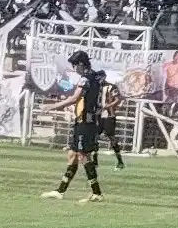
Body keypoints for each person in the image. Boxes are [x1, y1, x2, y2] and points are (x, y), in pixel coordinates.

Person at [40, 51, 105, 203]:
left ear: (81, 64)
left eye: (75, 65)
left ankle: (97, 193)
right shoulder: (96, 77)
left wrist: (52, 106)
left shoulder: (86, 79)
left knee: (83, 156)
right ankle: (60, 191)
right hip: (83, 121)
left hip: (85, 122)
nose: (75, 69)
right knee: (72, 155)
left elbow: (75, 98)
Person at [97, 71, 125, 170]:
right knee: (94, 137)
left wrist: (108, 106)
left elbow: (118, 99)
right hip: (98, 115)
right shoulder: (95, 87)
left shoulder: (111, 86)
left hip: (109, 115)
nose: (99, 80)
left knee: (111, 138)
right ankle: (95, 162)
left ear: (104, 77)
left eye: (100, 78)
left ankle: (120, 162)